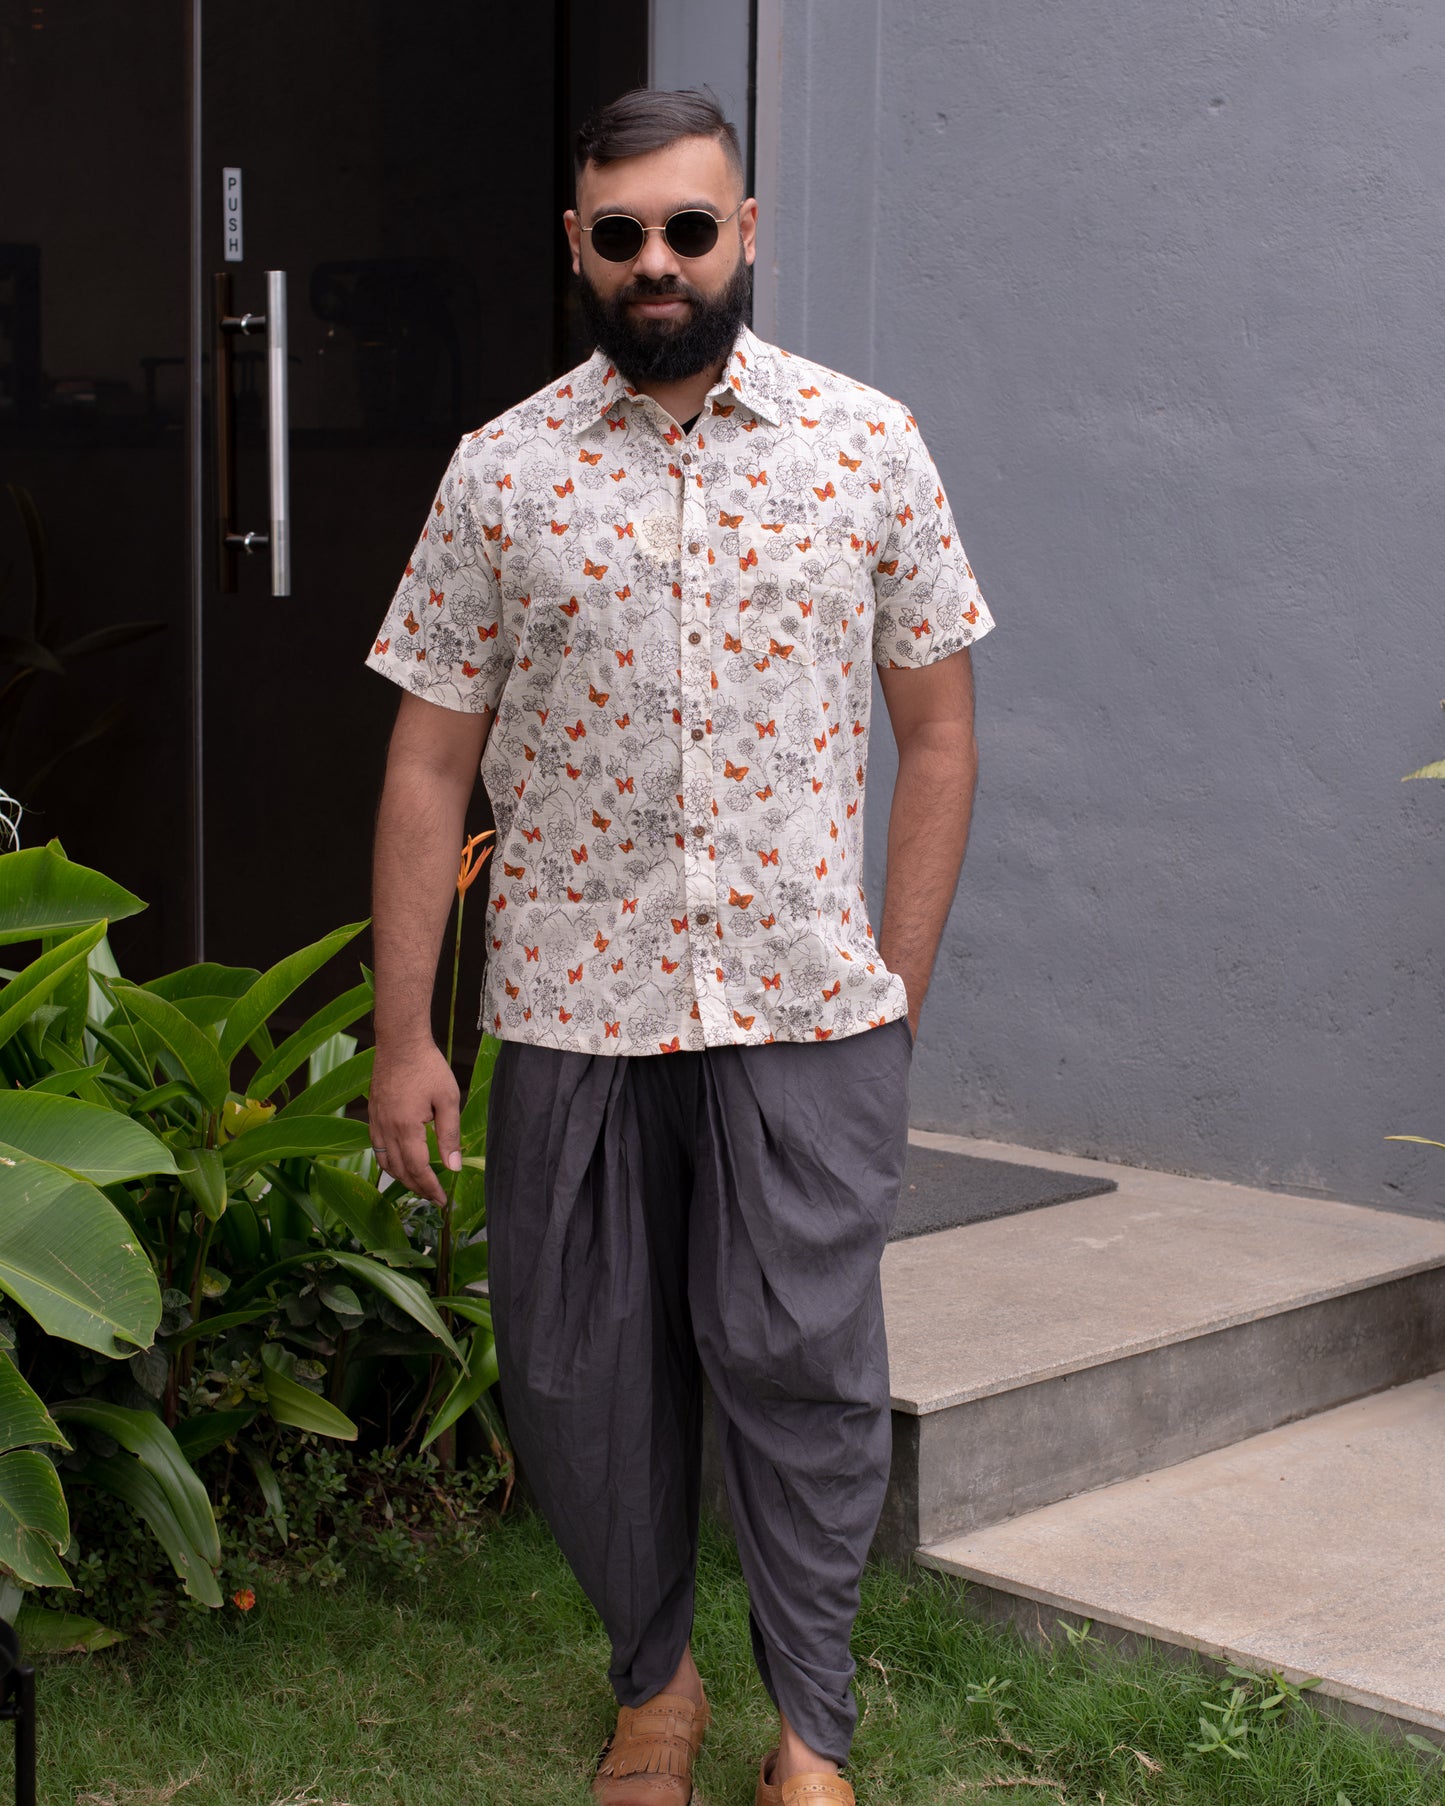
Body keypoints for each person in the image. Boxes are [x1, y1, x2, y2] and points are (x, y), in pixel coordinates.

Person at [365, 86, 994, 1806]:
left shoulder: (867, 445)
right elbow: (427, 761)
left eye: (689, 228)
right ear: (576, 245)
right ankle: (656, 1683)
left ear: (745, 233)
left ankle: (812, 1734)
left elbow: (935, 735)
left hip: (803, 1011)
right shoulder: (499, 473)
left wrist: (894, 989)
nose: (658, 261)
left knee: (802, 1374)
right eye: (621, 232)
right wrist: (403, 1032)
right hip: (572, 1000)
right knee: (575, 1379)